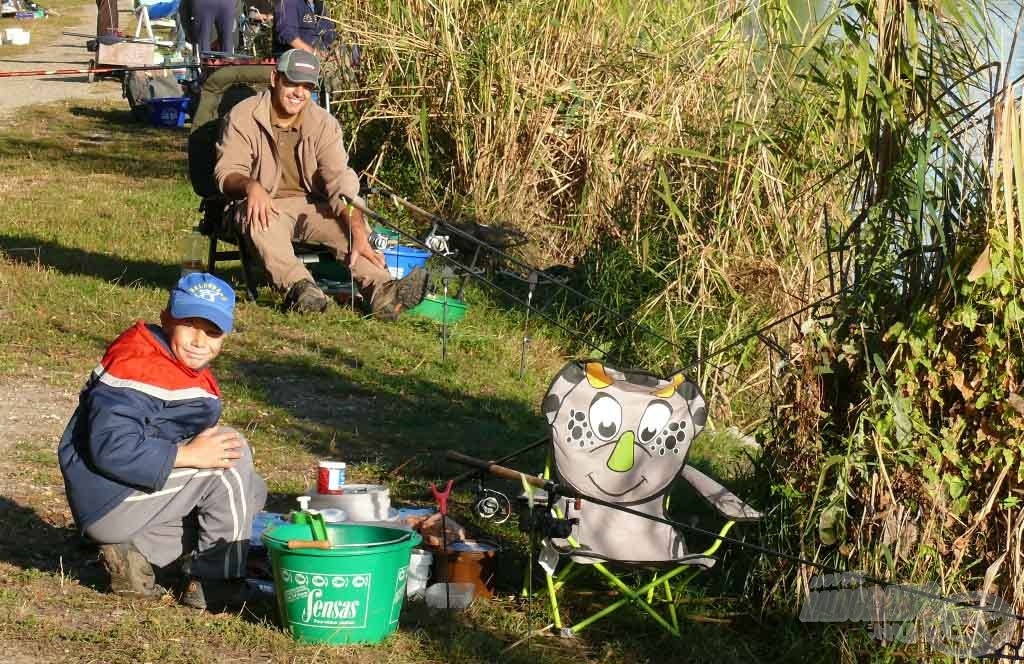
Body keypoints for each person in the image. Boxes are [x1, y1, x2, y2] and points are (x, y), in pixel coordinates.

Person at [58, 273, 267, 611]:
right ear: (167, 318)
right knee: (231, 457)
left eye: (212, 331)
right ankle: (218, 583)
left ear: (225, 335)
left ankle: (136, 554)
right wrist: (189, 455)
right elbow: (111, 448)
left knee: (252, 490)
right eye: (190, 325)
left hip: (124, 501)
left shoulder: (164, 357)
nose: (200, 340)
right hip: (109, 499)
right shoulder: (138, 367)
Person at [214, 49, 428, 318]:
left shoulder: (324, 123)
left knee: (349, 227)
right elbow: (227, 172)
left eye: (307, 86)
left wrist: (360, 233)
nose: (298, 92)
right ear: (274, 78)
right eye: (292, 82)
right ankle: (301, 288)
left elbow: (341, 182)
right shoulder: (243, 115)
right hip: (262, 204)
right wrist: (251, 187)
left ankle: (383, 291)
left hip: (312, 208)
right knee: (261, 217)